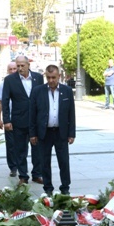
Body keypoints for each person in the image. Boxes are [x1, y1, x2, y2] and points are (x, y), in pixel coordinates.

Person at [29, 65, 76, 195]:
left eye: (53, 77)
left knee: (64, 161)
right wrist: (32, 133)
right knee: (44, 161)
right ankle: (48, 188)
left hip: (61, 132)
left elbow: (71, 113)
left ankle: (65, 187)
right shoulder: (38, 91)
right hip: (44, 132)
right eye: (48, 78)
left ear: (59, 76)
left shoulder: (66, 91)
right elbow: (32, 114)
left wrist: (71, 133)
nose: (51, 80)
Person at [1, 55, 44, 184]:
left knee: (37, 149)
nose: (20, 68)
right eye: (18, 66)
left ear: (28, 65)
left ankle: (37, 174)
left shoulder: (38, 77)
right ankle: (23, 176)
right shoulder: (9, 80)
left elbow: (42, 98)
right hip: (19, 120)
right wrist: (7, 120)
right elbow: (5, 100)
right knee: (20, 150)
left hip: (35, 120)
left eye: (22, 65)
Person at [0, 61, 18, 177]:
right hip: (8, 118)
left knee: (22, 144)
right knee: (10, 144)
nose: (13, 71)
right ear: (7, 71)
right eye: (10, 69)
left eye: (15, 68)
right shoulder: (4, 83)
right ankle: (13, 167)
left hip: (21, 118)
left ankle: (21, 164)